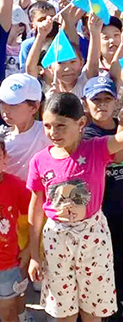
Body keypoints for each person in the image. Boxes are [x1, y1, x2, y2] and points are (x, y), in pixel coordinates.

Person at [27, 90, 123, 321]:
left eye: (61, 126)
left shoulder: (96, 149)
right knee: (63, 311)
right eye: (47, 126)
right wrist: (34, 253)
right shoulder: (39, 160)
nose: (53, 133)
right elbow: (36, 209)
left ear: (81, 123)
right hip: (56, 241)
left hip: (93, 237)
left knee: (93, 310)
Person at [81, 77, 123, 322]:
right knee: (99, 263)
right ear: (86, 104)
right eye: (96, 100)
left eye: (107, 99)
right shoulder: (86, 132)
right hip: (100, 210)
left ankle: (116, 304)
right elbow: (115, 156)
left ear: (116, 102)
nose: (102, 105)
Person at [0, 137, 31, 322]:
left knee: (8, 312)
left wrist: (29, 249)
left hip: (7, 264)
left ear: (5, 158)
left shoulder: (15, 185)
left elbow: (36, 214)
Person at [0, 73, 49, 180]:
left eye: (13, 105)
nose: (5, 110)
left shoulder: (47, 132)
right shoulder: (1, 136)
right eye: (2, 102)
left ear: (35, 107)